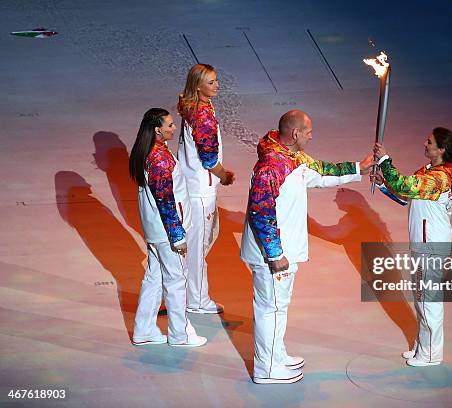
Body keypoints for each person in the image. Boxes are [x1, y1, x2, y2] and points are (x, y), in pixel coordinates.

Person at [240, 110, 375, 384]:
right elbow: (260, 211)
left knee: (279, 306)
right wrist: (275, 253)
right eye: (309, 132)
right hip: (273, 253)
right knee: (270, 308)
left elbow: (321, 172)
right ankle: (266, 370)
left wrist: (358, 168)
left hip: (283, 248)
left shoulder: (292, 157)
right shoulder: (272, 166)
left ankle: (276, 356)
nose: (312, 137)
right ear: (295, 134)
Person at [372, 127, 452, 367]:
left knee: (428, 301)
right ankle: (422, 347)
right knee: (421, 299)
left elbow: (405, 185)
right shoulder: (428, 172)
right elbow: (405, 196)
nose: (425, 143)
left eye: (430, 142)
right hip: (421, 244)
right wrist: (383, 185)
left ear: (441, 149)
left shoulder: (439, 178)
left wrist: (384, 160)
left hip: (431, 246)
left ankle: (432, 354)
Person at [129, 108, 207, 347]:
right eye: (170, 125)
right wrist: (177, 236)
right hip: (166, 232)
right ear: (157, 129)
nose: (174, 128)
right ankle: (179, 334)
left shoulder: (150, 152)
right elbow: (166, 201)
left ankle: (143, 330)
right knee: (176, 279)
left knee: (154, 277)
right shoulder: (160, 159)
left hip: (154, 230)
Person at [177, 64, 235, 314]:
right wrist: (225, 176)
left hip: (190, 183)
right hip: (201, 188)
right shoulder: (202, 115)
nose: (217, 85)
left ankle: (187, 294)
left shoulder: (191, 105)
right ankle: (197, 301)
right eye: (211, 82)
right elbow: (209, 158)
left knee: (197, 242)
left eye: (216, 80)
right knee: (199, 245)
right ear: (198, 86)